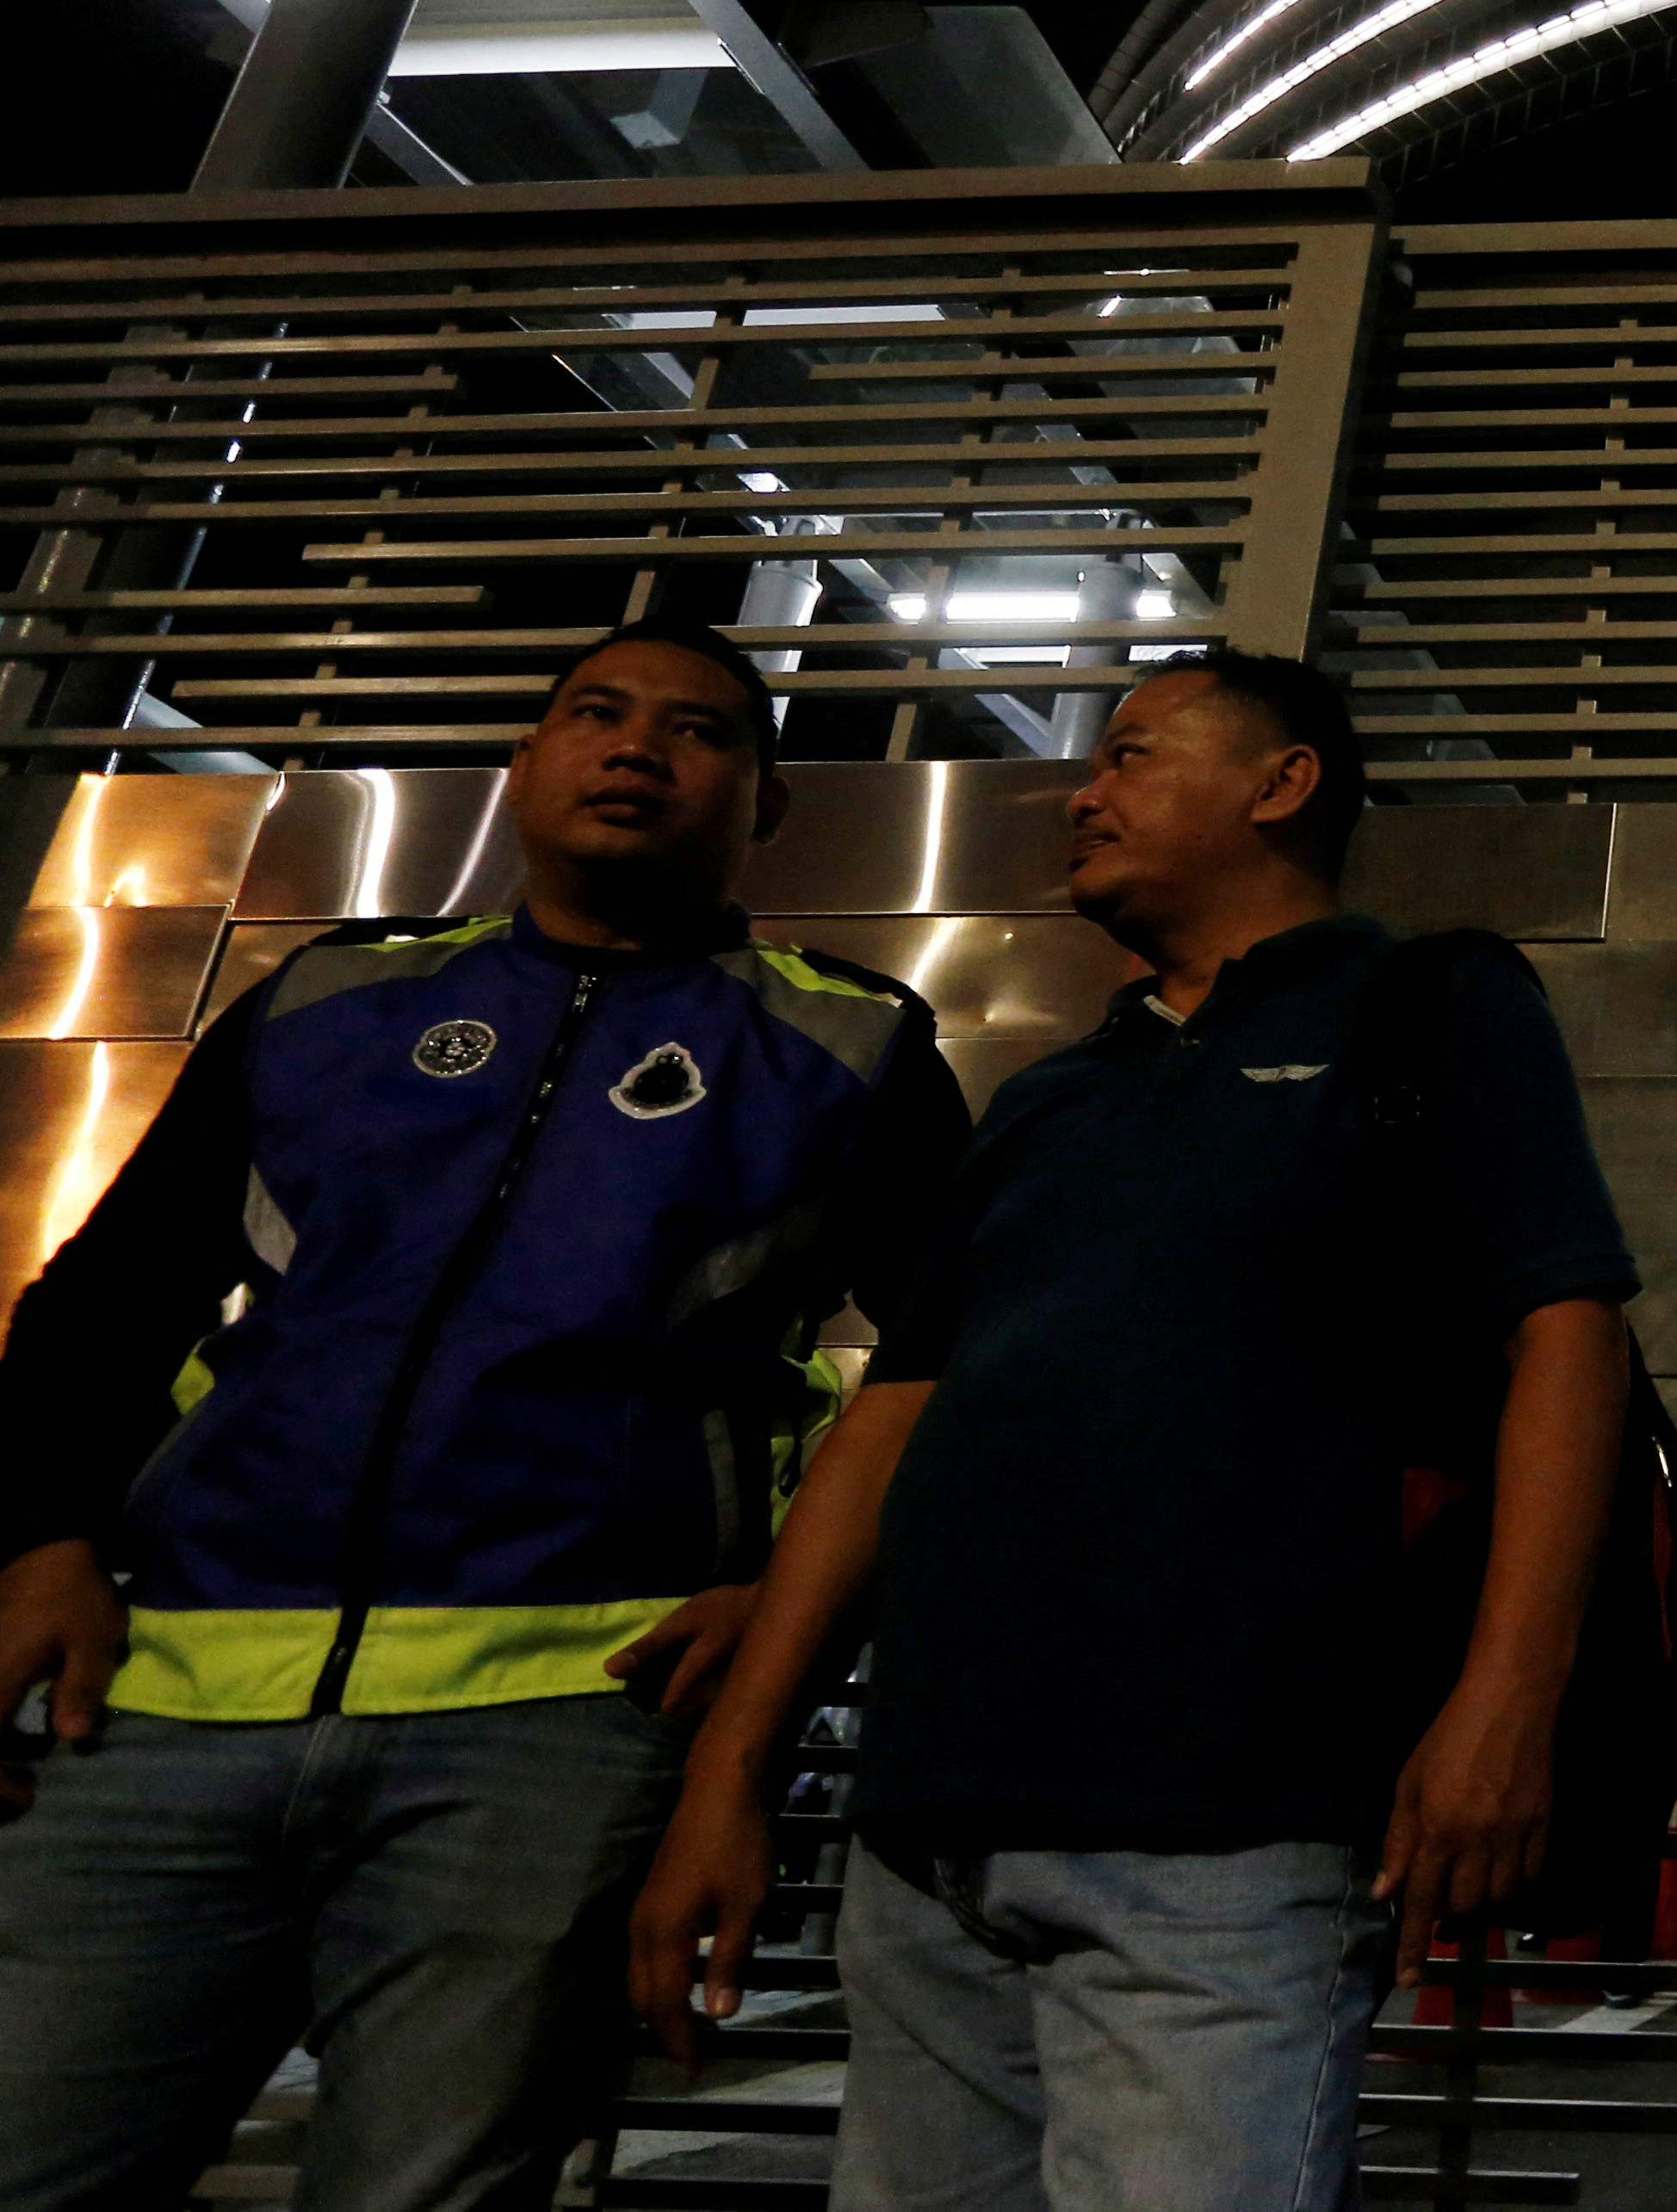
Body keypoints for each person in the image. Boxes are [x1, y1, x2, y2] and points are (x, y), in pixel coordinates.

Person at [630, 646, 1640, 2212]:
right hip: (926, 1851)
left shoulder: (1426, 1003)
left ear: (1281, 782)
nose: (1081, 793)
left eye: (1135, 753)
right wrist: (734, 1776)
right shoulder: (1048, 1100)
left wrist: (1503, 1705)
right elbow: (889, 1426)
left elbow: (1565, 1337)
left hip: (1229, 1849)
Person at [0, 615, 967, 2211]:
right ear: (527, 762)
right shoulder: (331, 996)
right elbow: (109, 1296)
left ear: (766, 804)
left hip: (562, 1722)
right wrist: (36, 1538)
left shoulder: (846, 1040)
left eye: (699, 729)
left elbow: (953, 1368)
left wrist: (789, 1608)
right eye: (596, 712)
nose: (638, 747)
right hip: (166, 1699)